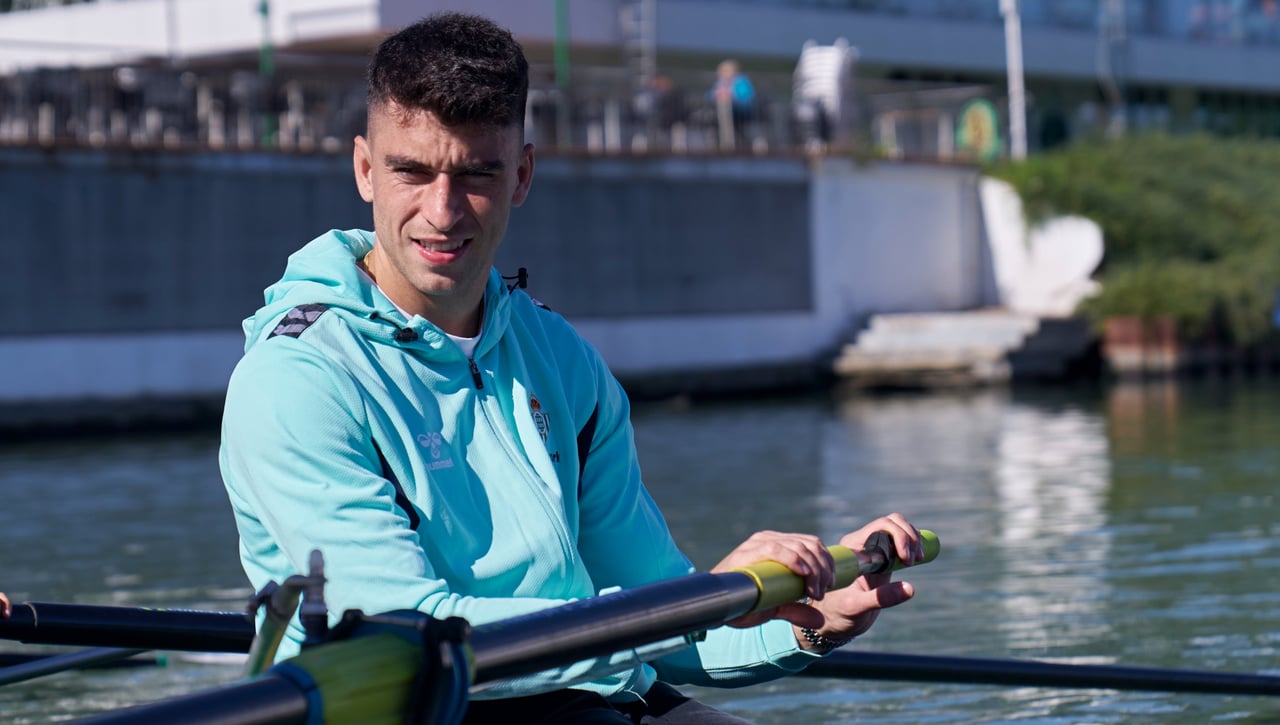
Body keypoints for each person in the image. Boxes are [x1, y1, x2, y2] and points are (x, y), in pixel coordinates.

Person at [219, 12, 924, 724]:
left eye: (476, 173)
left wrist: (805, 623)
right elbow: (415, 632)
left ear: (521, 174)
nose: (442, 210)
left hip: (591, 691)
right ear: (366, 169)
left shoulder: (559, 357)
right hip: (421, 700)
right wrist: (695, 603)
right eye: (413, 171)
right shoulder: (295, 380)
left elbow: (665, 621)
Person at [708, 59, 755, 150]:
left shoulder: (741, 82)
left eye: (725, 71)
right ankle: (715, 140)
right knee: (720, 106)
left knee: (724, 105)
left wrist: (730, 97)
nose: (722, 73)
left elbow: (746, 98)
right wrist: (717, 95)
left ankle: (728, 142)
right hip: (720, 111)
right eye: (721, 71)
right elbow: (709, 95)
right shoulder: (720, 83)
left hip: (741, 111)